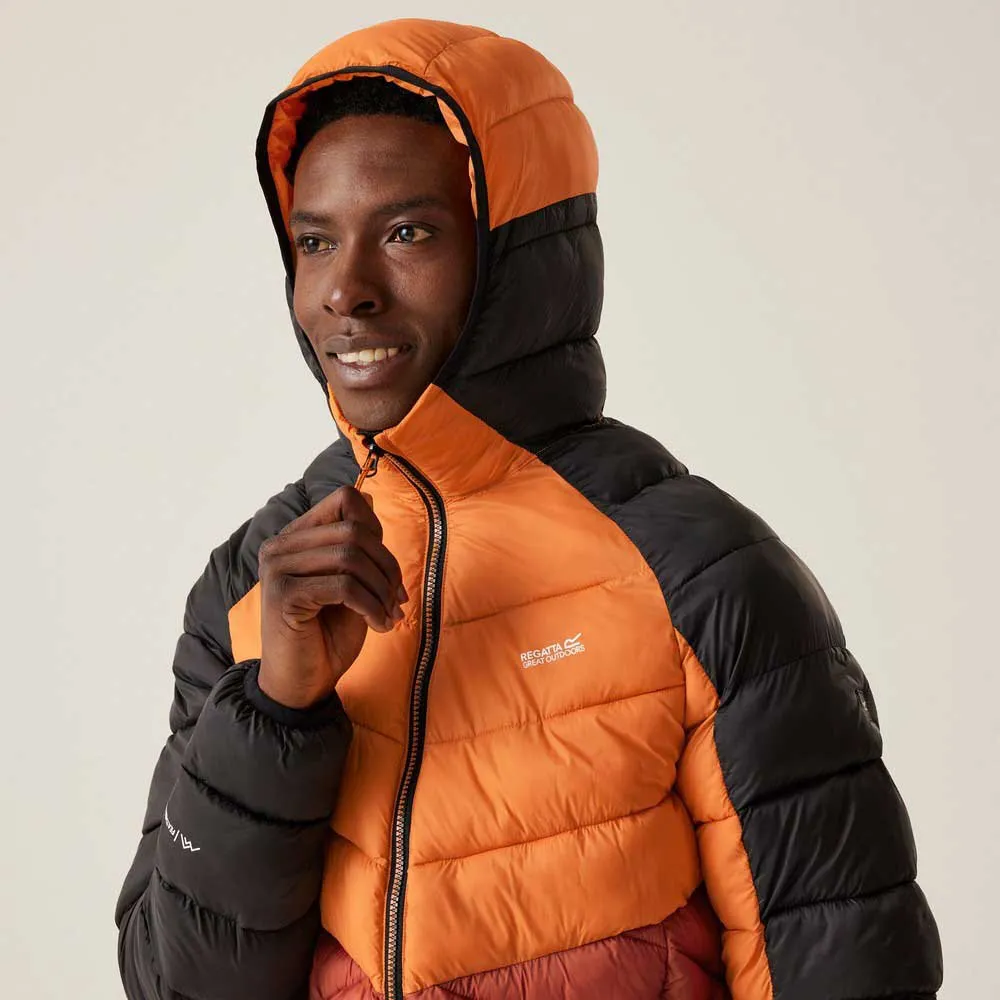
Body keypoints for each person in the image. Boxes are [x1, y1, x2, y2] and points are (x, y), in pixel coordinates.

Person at [114, 17, 943, 1000]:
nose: (346, 290)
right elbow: (175, 984)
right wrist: (275, 712)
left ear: (516, 253)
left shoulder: (698, 576)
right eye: (315, 241)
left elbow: (844, 967)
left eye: (408, 233)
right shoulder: (253, 588)